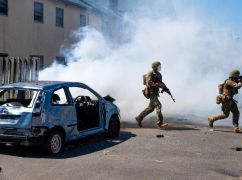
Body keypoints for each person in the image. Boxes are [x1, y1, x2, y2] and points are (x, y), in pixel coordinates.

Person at [135, 61, 169, 128]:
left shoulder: (159, 74)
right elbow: (148, 83)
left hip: (155, 92)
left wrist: (163, 87)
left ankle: (139, 118)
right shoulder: (150, 73)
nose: (160, 67)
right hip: (151, 92)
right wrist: (156, 84)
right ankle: (160, 123)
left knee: (150, 108)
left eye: (160, 66)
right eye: (158, 66)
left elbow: (160, 82)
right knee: (158, 105)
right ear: (154, 67)